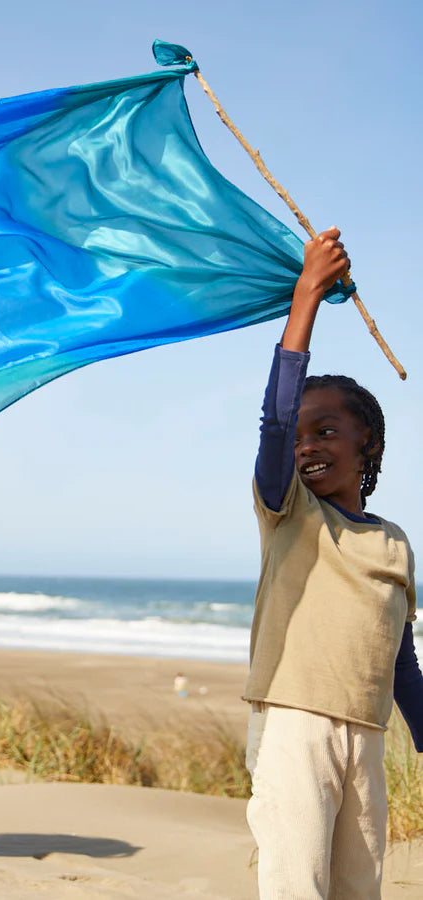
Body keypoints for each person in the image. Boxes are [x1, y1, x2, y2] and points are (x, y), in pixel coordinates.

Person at [245, 226, 423, 898]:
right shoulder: (287, 509)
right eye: (302, 433)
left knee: (358, 888)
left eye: (328, 430)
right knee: (297, 886)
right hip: (295, 725)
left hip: (367, 736)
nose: (307, 445)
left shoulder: (395, 542)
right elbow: (273, 421)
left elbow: (398, 656)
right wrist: (308, 295)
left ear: (366, 441)